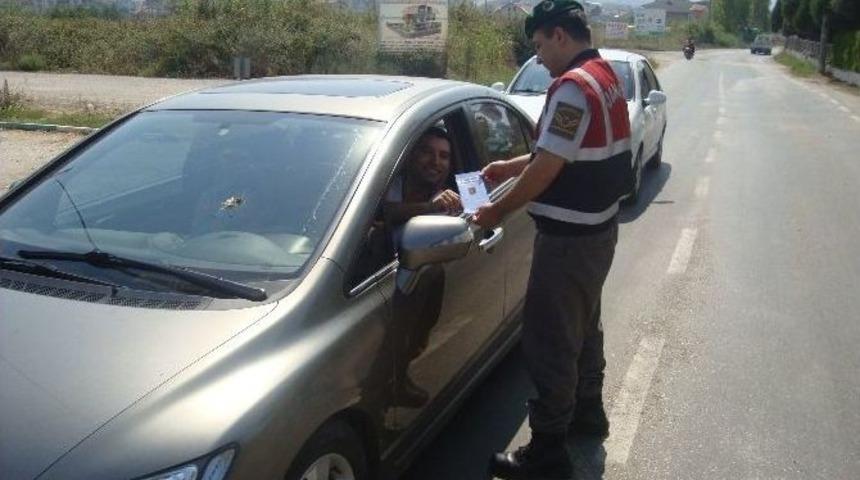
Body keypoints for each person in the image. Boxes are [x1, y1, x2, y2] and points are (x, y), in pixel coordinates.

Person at [473, 1, 633, 478]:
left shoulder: (571, 88)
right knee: (584, 329)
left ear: (560, 35)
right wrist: (508, 166)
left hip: (567, 241)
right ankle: (588, 412)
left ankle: (546, 453)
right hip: (597, 231)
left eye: (540, 44)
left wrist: (495, 210)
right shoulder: (602, 77)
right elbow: (558, 152)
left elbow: (548, 167)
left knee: (550, 342)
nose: (538, 57)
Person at [383, 126, 462, 227]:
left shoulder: (452, 202)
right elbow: (379, 212)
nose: (435, 162)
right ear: (411, 154)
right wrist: (429, 207)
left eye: (444, 156)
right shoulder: (387, 185)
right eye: (427, 152)